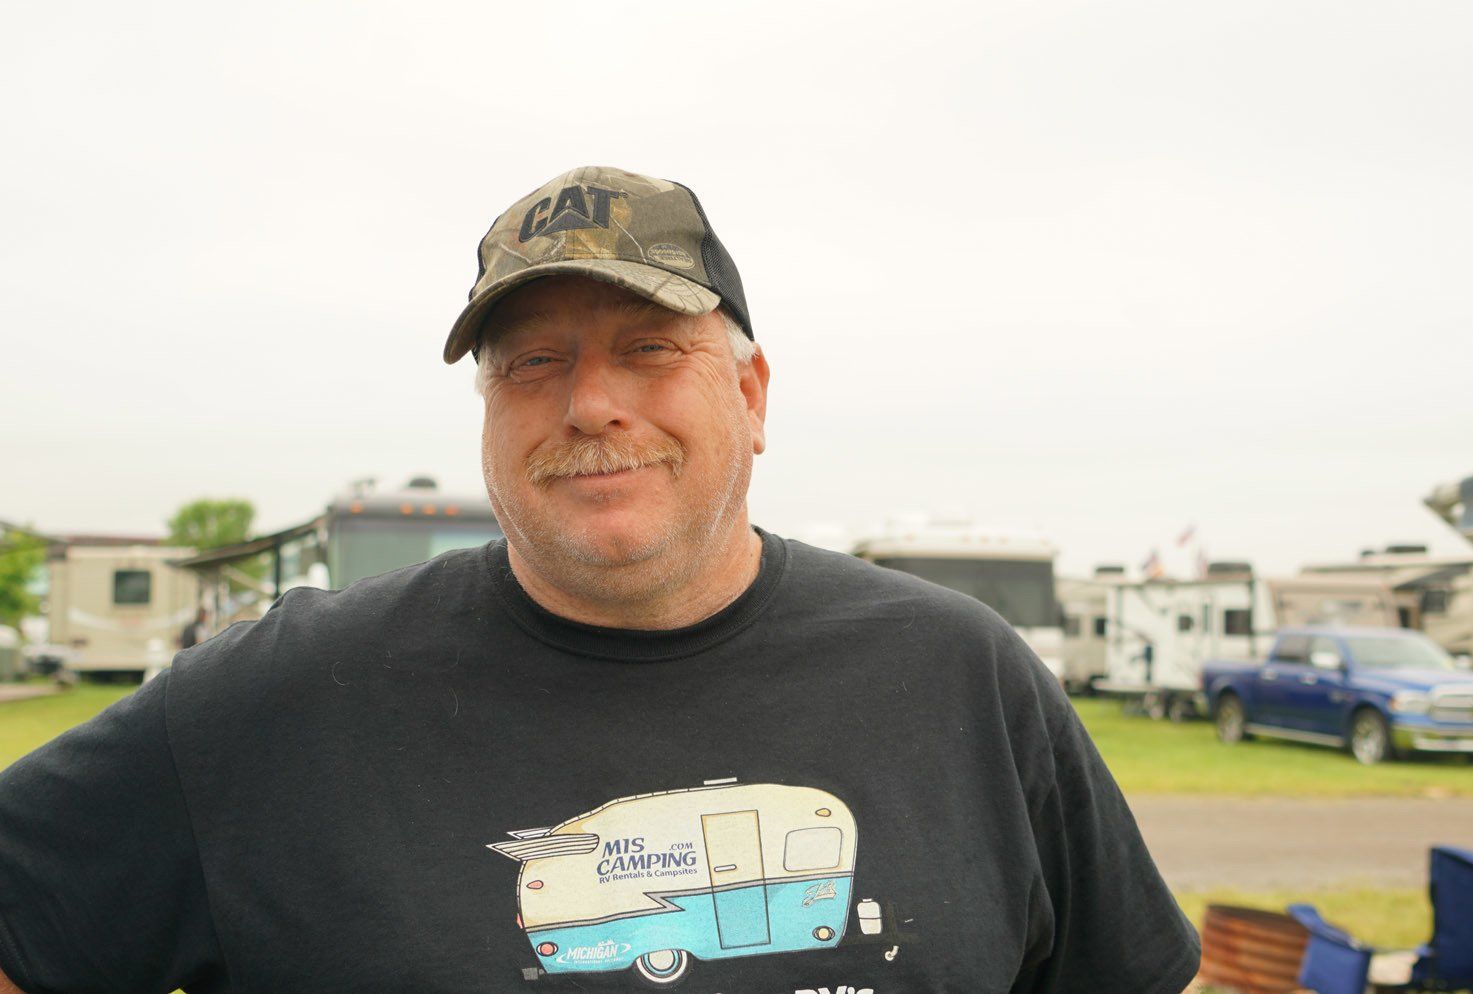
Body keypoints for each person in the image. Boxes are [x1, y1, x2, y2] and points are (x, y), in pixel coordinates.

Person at [0, 166, 1200, 993]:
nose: (589, 403)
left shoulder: (962, 675)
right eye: (534, 361)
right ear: (488, 408)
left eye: (647, 347)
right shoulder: (275, 698)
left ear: (751, 392)